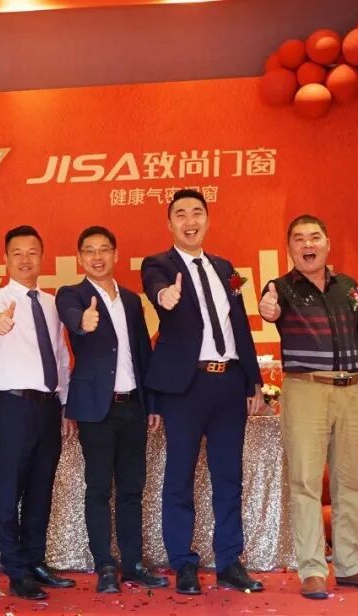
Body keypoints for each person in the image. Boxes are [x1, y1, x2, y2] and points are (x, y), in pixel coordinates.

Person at [259, 215, 358, 600]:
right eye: (299, 239)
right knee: (305, 482)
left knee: (350, 482)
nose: (308, 244)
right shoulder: (281, 288)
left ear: (327, 243)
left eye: (314, 237)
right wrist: (268, 308)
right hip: (306, 390)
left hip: (351, 391)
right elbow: (269, 310)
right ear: (290, 248)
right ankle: (313, 570)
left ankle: (351, 565)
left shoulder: (348, 288)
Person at [140, 189, 266, 595]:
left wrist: (253, 380)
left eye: (197, 212)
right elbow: (155, 287)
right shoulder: (158, 264)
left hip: (229, 383)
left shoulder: (227, 269)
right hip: (186, 386)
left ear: (207, 220)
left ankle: (230, 562)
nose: (189, 221)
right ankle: (184, 563)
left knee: (229, 477)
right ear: (170, 223)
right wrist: (165, 295)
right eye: (180, 214)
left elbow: (240, 324)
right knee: (179, 477)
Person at [55, 226, 167, 593]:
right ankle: (104, 564)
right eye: (89, 251)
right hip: (96, 410)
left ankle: (132, 564)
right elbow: (71, 316)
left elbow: (143, 352)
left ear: (116, 255)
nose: (97, 257)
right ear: (79, 258)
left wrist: (152, 402)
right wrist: (82, 322)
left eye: (104, 250)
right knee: (99, 489)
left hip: (133, 406)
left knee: (132, 489)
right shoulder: (72, 294)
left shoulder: (132, 301)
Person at [0, 225, 74, 601]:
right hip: (13, 407)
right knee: (8, 491)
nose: (25, 259)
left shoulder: (52, 303)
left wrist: (65, 405)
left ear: (42, 257)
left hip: (49, 407)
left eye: (32, 252)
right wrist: (0, 321)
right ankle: (16, 571)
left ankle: (35, 561)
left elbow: (61, 356)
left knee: (40, 489)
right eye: (17, 253)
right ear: (6, 258)